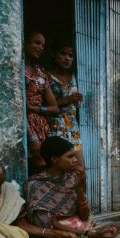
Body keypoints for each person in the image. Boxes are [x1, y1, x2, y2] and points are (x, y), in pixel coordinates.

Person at [19, 136, 120, 238]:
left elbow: (84, 216)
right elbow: (48, 224)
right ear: (54, 159)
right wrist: (90, 233)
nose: (75, 160)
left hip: (78, 228)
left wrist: (79, 188)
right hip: (55, 236)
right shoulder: (35, 184)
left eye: (75, 155)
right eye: (70, 156)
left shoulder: (73, 177)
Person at [24, 31, 59, 174]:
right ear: (25, 42)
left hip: (41, 126)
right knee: (34, 165)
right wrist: (31, 137)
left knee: (45, 165)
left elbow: (54, 108)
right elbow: (20, 108)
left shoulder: (40, 72)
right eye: (36, 43)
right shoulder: (16, 69)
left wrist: (34, 108)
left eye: (43, 45)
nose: (41, 48)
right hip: (25, 124)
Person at [48, 40, 85, 175]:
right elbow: (45, 106)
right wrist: (68, 100)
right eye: (63, 53)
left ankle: (80, 197)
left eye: (70, 55)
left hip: (73, 128)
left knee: (80, 171)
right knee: (61, 172)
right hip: (56, 128)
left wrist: (76, 101)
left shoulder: (73, 76)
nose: (67, 58)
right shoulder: (47, 77)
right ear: (53, 54)